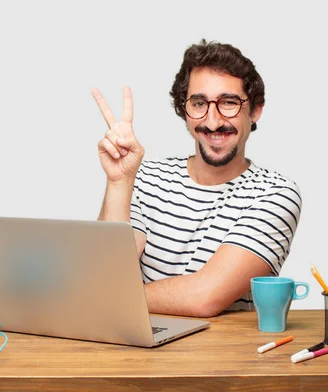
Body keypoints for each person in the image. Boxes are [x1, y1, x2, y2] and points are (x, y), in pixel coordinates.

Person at [92, 39, 301, 318]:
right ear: (184, 110)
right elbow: (106, 273)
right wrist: (119, 182)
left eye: (229, 103)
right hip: (139, 349)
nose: (212, 121)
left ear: (256, 110)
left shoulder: (275, 194)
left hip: (221, 357)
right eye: (199, 103)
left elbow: (204, 297)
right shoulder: (146, 178)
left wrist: (111, 296)